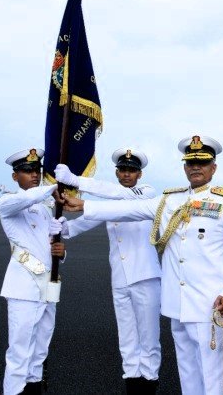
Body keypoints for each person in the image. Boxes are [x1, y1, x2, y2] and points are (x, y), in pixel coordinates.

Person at [56, 135, 223, 395]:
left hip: (213, 305)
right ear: (184, 167)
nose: (196, 167)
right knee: (189, 377)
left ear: (213, 167)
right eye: (190, 163)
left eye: (203, 162)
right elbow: (128, 209)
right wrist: (84, 206)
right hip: (178, 305)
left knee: (214, 378)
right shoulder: (169, 201)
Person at [56, 148, 162, 393]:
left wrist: (76, 181)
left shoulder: (146, 193)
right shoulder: (111, 203)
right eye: (123, 170)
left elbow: (115, 199)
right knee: (127, 339)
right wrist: (64, 228)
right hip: (120, 278)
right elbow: (89, 219)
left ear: (140, 174)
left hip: (145, 276)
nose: (127, 175)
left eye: (132, 170)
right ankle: (133, 385)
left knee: (148, 340)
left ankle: (149, 384)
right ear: (117, 172)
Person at [0, 148, 65, 395]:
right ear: (15, 177)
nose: (34, 175)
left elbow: (51, 245)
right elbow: (26, 199)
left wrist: (61, 251)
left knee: (39, 350)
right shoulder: (8, 202)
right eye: (27, 171)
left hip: (48, 285)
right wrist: (52, 187)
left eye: (36, 171)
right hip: (23, 286)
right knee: (20, 352)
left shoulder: (44, 209)